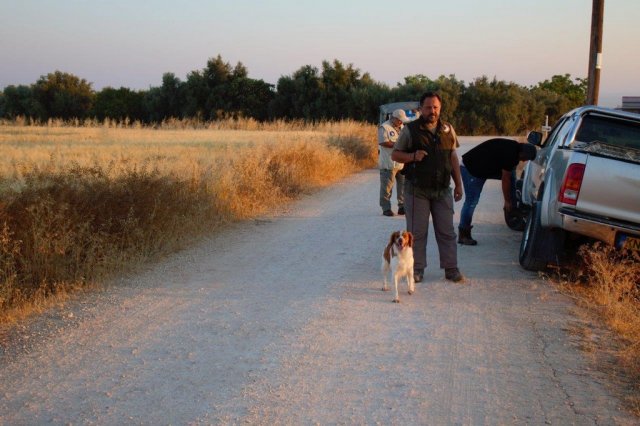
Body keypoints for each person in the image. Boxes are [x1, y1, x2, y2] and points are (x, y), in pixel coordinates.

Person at [391, 92, 464, 283]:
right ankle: (416, 270)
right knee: (416, 233)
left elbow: (453, 157)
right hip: (417, 190)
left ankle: (451, 268)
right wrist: (413, 156)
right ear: (421, 109)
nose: (432, 111)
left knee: (447, 231)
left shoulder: (448, 129)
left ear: (440, 108)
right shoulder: (410, 130)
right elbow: (396, 155)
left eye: (436, 107)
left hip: (442, 189)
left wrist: (458, 184)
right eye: (428, 107)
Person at [458, 138, 537, 245]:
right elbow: (505, 179)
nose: (523, 161)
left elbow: (508, 176)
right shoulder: (511, 155)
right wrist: (507, 200)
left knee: (512, 175)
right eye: (525, 158)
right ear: (522, 153)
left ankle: (512, 212)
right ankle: (463, 234)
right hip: (471, 169)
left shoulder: (515, 148)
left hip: (484, 168)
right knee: (471, 201)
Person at [378, 109, 409, 216]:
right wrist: (398, 145)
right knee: (387, 188)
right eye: (400, 120)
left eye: (402, 120)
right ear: (394, 118)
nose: (401, 122)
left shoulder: (402, 127)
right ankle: (386, 208)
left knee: (403, 187)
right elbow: (383, 142)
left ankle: (402, 207)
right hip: (388, 163)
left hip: (401, 163)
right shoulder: (384, 127)